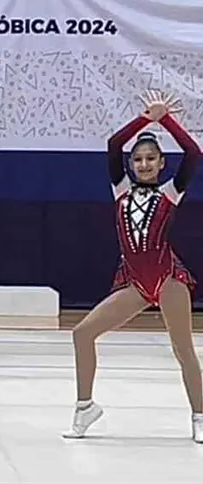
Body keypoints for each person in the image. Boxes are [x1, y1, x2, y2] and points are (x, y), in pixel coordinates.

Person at [63, 90, 203, 442]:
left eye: (150, 159)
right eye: (138, 159)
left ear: (160, 164)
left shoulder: (170, 192)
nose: (143, 164)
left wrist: (164, 120)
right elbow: (113, 144)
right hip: (136, 284)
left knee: (182, 349)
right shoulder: (120, 190)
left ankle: (200, 416)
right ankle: (85, 407)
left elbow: (194, 153)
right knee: (82, 334)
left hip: (168, 278)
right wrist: (145, 119)